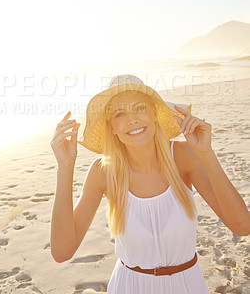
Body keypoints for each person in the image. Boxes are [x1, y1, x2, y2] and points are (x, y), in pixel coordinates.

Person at [50, 74, 250, 294]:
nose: (132, 119)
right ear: (112, 127)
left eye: (139, 108)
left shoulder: (183, 157)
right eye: (120, 114)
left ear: (154, 113)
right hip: (129, 286)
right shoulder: (103, 171)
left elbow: (242, 226)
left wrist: (206, 154)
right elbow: (62, 251)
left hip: (187, 286)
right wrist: (65, 168)